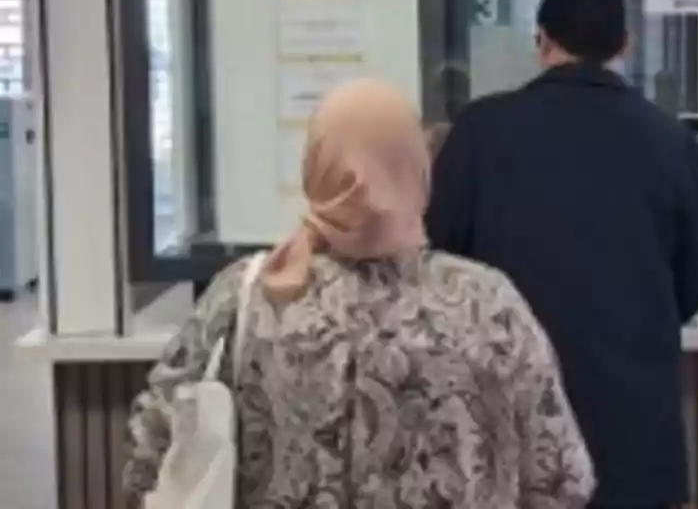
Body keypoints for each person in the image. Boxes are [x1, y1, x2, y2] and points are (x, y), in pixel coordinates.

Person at [124, 78, 594, 508]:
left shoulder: (247, 296)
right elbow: (561, 479)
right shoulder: (487, 305)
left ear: (316, 165)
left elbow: (150, 456)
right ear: (418, 169)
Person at [426, 0, 698, 509]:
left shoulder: (479, 132)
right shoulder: (670, 139)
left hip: (506, 422)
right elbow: (692, 282)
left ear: (541, 40)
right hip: (632, 433)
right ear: (625, 45)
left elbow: (441, 267)